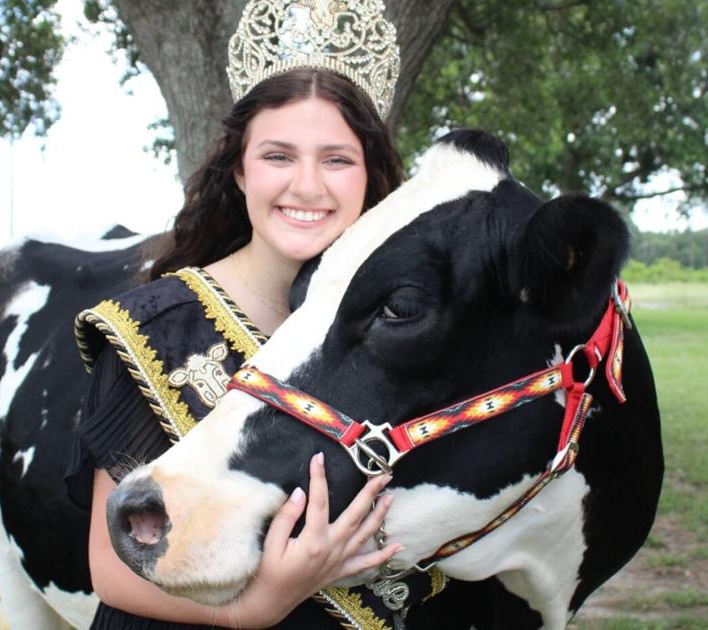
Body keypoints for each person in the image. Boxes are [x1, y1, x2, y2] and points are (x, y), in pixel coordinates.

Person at [66, 2, 479, 628]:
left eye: (337, 159)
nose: (307, 186)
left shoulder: (411, 329)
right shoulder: (153, 329)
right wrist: (255, 609)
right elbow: (109, 566)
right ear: (239, 170)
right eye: (278, 156)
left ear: (371, 175)